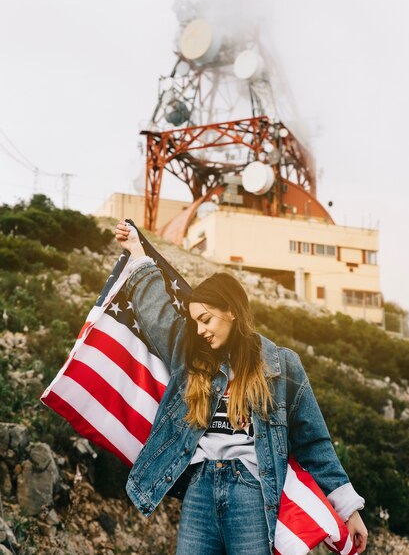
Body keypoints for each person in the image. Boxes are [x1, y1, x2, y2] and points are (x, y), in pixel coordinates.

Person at [114, 221, 368, 555]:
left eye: (206, 319)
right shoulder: (191, 356)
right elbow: (157, 315)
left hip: (252, 490)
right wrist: (137, 252)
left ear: (231, 311)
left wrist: (349, 509)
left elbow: (314, 442)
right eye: (194, 322)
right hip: (200, 488)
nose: (200, 330)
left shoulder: (281, 365)